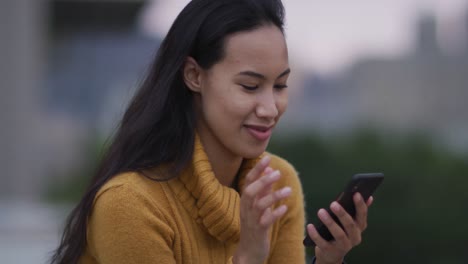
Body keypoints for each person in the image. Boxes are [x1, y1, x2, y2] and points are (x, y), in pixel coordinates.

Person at [51, 0, 373, 263]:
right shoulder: (129, 206)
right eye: (250, 86)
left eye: (280, 86)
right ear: (194, 75)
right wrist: (246, 258)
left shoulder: (275, 183)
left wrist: (329, 260)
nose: (270, 108)